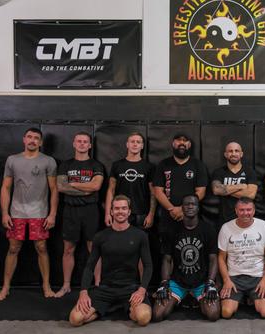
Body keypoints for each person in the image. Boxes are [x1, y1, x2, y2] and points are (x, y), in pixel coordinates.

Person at [0, 127, 58, 301]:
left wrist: (52, 214)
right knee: (13, 248)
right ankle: (5, 288)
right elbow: (5, 187)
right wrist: (5, 213)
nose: (32, 140)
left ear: (41, 142)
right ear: (24, 139)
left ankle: (46, 286)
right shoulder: (12, 160)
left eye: (36, 138)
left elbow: (54, 189)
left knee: (41, 248)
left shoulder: (49, 161)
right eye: (29, 137)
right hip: (17, 212)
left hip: (39, 212)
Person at [69, 195, 152, 327]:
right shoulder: (100, 236)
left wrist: (142, 290)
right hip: (105, 289)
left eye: (124, 208)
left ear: (129, 211)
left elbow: (148, 266)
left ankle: (127, 310)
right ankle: (103, 310)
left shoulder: (140, 236)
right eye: (117, 208)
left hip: (130, 289)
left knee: (143, 318)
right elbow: (89, 267)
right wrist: (83, 292)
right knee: (75, 319)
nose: (120, 211)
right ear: (111, 211)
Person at [152, 194, 220, 321]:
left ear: (198, 208)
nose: (190, 206)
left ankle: (196, 299)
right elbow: (167, 259)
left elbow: (213, 259)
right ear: (181, 208)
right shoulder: (172, 230)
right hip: (178, 282)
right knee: (157, 315)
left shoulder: (208, 229)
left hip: (201, 282)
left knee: (213, 315)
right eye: (186, 204)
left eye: (193, 204)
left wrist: (211, 283)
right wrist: (164, 283)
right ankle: (181, 298)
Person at [55, 132, 105, 298]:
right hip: (70, 211)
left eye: (85, 142)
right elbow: (61, 187)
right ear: (74, 144)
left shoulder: (96, 165)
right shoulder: (65, 165)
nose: (82, 144)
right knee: (68, 249)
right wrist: (85, 188)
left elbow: (97, 186)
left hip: (91, 210)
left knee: (94, 248)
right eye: (79, 141)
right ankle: (66, 285)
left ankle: (97, 285)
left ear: (90, 145)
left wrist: (73, 184)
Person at [218, 197, 265, 319]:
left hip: (257, 277)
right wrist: (226, 280)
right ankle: (243, 298)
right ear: (236, 211)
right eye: (242, 210)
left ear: (254, 211)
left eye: (249, 210)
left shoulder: (263, 226)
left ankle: (249, 297)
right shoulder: (226, 228)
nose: (245, 213)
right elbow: (221, 258)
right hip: (235, 278)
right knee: (226, 313)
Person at [153, 133, 208, 245]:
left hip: (190, 217)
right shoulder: (163, 164)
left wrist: (184, 209)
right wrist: (172, 209)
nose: (182, 143)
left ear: (189, 145)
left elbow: (201, 192)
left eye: (185, 140)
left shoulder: (198, 165)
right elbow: (158, 191)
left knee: (189, 249)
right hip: (168, 217)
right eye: (178, 140)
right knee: (167, 253)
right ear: (173, 144)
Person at [105, 132, 156, 230]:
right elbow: (111, 190)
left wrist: (151, 215)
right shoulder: (117, 165)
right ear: (127, 144)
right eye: (132, 141)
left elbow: (153, 193)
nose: (135, 144)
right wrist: (107, 213)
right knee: (120, 242)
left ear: (142, 146)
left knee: (139, 243)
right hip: (120, 213)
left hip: (141, 214)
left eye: (138, 142)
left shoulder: (149, 167)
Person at [211, 141, 258, 223]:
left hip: (244, 218)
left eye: (236, 151)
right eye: (230, 151)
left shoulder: (250, 172)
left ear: (241, 154)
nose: (233, 153)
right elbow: (216, 190)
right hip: (224, 218)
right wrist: (239, 186)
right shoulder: (218, 172)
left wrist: (225, 190)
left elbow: (250, 195)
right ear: (225, 154)